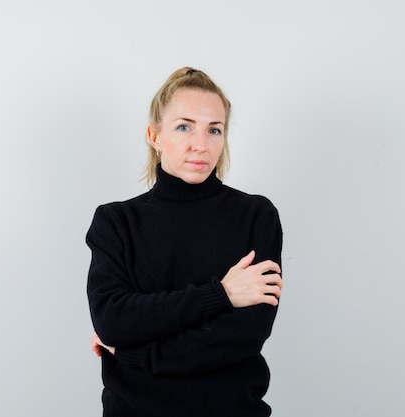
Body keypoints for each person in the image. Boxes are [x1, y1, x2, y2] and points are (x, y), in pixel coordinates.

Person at [86, 67, 284, 417]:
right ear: (154, 136)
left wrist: (132, 353)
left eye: (214, 130)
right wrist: (220, 295)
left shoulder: (256, 216)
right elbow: (113, 321)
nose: (201, 144)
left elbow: (241, 337)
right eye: (184, 126)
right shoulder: (116, 222)